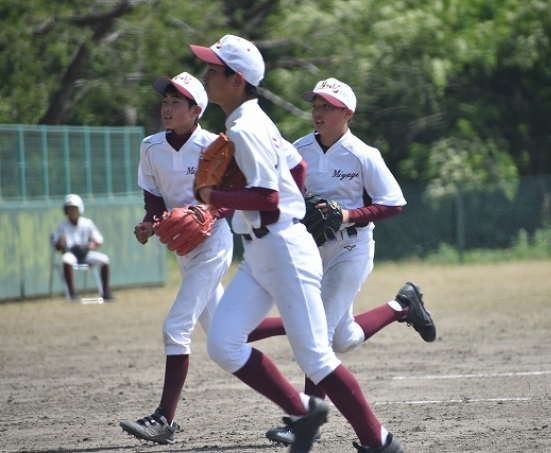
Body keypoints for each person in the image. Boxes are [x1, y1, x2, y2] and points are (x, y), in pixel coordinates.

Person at [189, 34, 405, 453]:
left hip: (284, 248)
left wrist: (212, 196)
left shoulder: (247, 127)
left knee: (317, 356)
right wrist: (294, 203)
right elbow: (298, 167)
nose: (206, 76)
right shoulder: (254, 119)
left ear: (237, 80)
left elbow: (268, 198)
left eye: (213, 70)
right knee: (223, 343)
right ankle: (304, 412)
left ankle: (379, 442)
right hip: (260, 251)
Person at [248, 78, 437, 446]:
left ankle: (306, 422)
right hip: (310, 250)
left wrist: (347, 215)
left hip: (352, 249)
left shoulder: (363, 154)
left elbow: (393, 203)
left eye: (327, 106)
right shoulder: (299, 149)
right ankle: (403, 305)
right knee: (342, 338)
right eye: (315, 105)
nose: (318, 112)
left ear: (347, 113)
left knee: (317, 335)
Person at [119, 72, 235, 445]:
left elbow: (233, 196)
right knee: (227, 339)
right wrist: (149, 224)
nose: (167, 108)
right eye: (165, 102)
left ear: (196, 110)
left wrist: (209, 213)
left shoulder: (213, 145)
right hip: (182, 247)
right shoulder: (151, 146)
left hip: (213, 242)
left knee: (176, 327)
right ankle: (299, 405)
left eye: (176, 103)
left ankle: (164, 419)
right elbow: (154, 196)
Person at [52, 193, 114, 301]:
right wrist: (61, 242)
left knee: (104, 259)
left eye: (74, 209)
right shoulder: (62, 226)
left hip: (85, 253)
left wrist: (89, 246)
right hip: (71, 253)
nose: (72, 211)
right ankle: (72, 293)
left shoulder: (87, 223)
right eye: (69, 209)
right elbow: (57, 246)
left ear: (80, 209)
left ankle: (106, 292)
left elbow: (98, 240)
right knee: (66, 259)